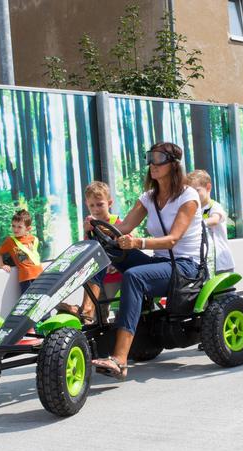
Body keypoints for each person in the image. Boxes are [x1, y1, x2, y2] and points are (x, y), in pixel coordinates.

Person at [89, 142, 203, 380]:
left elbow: (172, 240)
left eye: (158, 158)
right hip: (160, 263)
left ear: (173, 164)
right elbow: (124, 227)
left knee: (134, 276)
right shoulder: (148, 197)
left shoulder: (188, 197)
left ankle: (120, 360)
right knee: (102, 250)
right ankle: (87, 310)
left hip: (184, 267)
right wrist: (98, 229)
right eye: (150, 158)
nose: (152, 164)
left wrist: (138, 243)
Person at [58, 181, 123, 324]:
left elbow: (124, 245)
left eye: (100, 204)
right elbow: (88, 246)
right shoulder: (90, 224)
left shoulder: (118, 222)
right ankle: (97, 335)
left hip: (114, 275)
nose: (96, 209)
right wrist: (87, 231)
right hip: (97, 275)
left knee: (120, 309)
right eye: (91, 205)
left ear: (109, 203)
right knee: (99, 313)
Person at [186, 169, 235, 274]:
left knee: (224, 289)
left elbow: (215, 220)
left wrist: (199, 223)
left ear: (208, 187)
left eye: (197, 190)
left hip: (221, 260)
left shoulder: (214, 206)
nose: (193, 195)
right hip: (206, 260)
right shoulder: (195, 209)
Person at [0, 209, 43, 293]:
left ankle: (68, 307)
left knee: (46, 301)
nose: (15, 229)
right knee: (28, 303)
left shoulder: (34, 239)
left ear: (28, 228)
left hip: (40, 275)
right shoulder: (10, 241)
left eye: (19, 227)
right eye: (13, 226)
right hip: (26, 279)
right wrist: (1, 265)